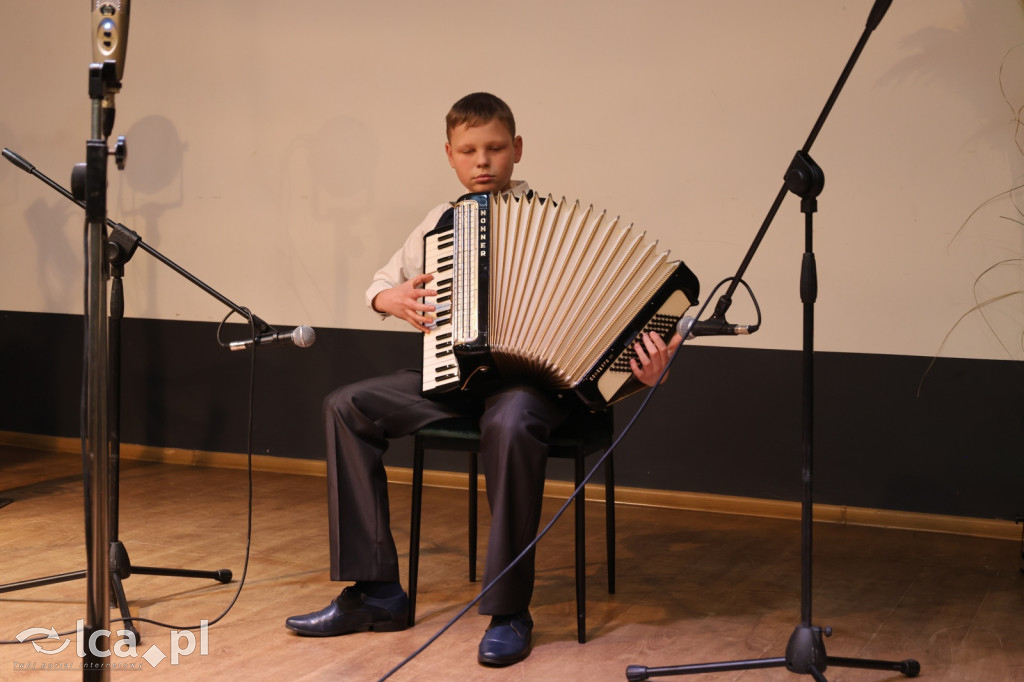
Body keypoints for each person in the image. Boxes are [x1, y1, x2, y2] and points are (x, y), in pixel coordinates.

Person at [285, 92, 680, 667]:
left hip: (538, 392)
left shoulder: (554, 224)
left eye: (495, 148)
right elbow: (380, 282)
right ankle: (377, 593)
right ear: (449, 154)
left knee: (514, 415)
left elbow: (616, 322)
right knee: (346, 406)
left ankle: (508, 610)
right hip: (455, 381)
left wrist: (650, 374)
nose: (483, 162)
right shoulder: (437, 223)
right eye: (469, 150)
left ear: (517, 149)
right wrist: (388, 299)